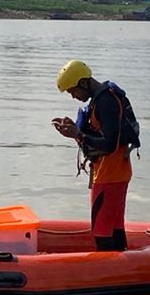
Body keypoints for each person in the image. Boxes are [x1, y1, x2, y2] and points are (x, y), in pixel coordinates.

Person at [53, 59, 138, 251]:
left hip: (109, 176)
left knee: (101, 230)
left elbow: (109, 145)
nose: (73, 96)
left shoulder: (105, 103)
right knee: (114, 227)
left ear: (84, 82)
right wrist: (74, 130)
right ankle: (124, 267)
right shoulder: (101, 100)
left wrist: (78, 134)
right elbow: (98, 137)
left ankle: (109, 275)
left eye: (73, 90)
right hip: (117, 174)